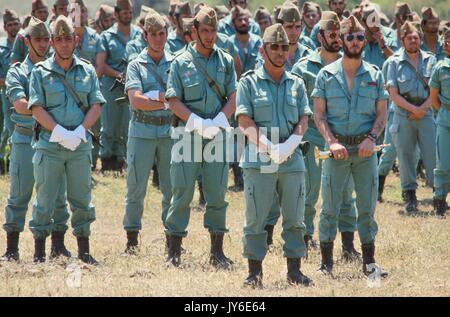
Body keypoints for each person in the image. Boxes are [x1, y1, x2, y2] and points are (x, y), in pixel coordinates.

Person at [236, 23, 313, 288]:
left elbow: (304, 118)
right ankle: (254, 273)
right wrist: (269, 147)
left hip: (292, 158)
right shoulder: (248, 82)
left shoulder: (297, 83)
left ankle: (294, 271)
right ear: (263, 49)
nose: (281, 52)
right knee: (256, 218)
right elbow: (244, 120)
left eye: (285, 47)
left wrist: (291, 143)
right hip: (260, 159)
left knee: (295, 217)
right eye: (275, 47)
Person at [312, 15, 388, 277]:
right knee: (330, 208)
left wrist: (371, 138)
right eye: (349, 37)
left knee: (367, 209)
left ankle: (369, 264)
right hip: (337, 152)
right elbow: (318, 115)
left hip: (366, 151)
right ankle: (326, 264)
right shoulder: (325, 75)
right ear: (341, 40)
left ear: (363, 41)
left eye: (359, 37)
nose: (355, 41)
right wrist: (331, 142)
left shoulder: (375, 74)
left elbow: (382, 113)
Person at [28, 15, 105, 264]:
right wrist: (60, 132)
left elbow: (96, 104)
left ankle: (84, 251)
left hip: (79, 145)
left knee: (82, 200)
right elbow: (36, 108)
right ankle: (39, 252)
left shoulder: (87, 70)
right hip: (50, 144)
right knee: (45, 200)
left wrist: (81, 130)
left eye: (68, 38)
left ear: (76, 40)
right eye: (58, 39)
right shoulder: (40, 72)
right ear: (52, 42)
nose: (63, 44)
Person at [165, 6, 237, 269]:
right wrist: (195, 122)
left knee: (217, 193)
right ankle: (174, 251)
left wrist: (219, 120)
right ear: (193, 31)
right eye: (204, 31)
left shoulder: (226, 60)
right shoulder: (180, 62)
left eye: (213, 30)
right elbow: (172, 99)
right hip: (187, 134)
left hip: (217, 134)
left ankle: (217, 252)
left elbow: (234, 96)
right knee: (182, 192)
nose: (209, 36)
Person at [1, 17, 71, 262]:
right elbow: (19, 105)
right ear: (25, 41)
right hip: (25, 138)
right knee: (19, 194)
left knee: (58, 195)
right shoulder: (17, 71)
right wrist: (46, 109)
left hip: (53, 139)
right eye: (37, 39)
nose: (42, 45)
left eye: (45, 39)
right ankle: (12, 248)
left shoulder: (58, 70)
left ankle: (58, 246)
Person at [291, 11, 360, 259]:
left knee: (344, 194)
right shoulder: (304, 67)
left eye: (338, 34)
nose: (335, 38)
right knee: (309, 192)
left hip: (341, 138)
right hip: (313, 138)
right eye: (330, 34)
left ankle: (349, 244)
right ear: (320, 36)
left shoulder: (349, 63)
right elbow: (296, 105)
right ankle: (307, 237)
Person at [122, 12, 174, 254]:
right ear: (145, 35)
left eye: (161, 33)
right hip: (141, 131)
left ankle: (172, 239)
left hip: (169, 132)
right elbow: (136, 101)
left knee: (172, 188)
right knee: (135, 186)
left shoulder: (176, 63)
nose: (157, 38)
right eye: (152, 34)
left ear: (167, 34)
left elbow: (179, 99)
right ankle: (132, 240)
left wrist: (152, 97)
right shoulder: (135, 65)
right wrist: (164, 100)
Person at [386, 22, 437, 214]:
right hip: (403, 114)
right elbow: (393, 93)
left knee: (432, 155)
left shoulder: (430, 60)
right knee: (405, 156)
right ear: (402, 40)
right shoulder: (393, 62)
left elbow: (435, 89)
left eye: (416, 37)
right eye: (409, 38)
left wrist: (422, 109)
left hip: (425, 113)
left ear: (420, 39)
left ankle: (438, 195)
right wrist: (412, 109)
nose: (413, 41)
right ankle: (409, 197)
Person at [97, 0, 141, 172]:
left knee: (126, 125)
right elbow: (101, 65)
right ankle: (107, 159)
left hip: (132, 87)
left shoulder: (138, 34)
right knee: (109, 126)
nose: (128, 15)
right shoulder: (106, 37)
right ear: (116, 14)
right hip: (111, 86)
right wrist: (119, 75)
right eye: (125, 13)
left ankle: (121, 160)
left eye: (130, 12)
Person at [429, 28, 450, 217]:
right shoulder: (440, 68)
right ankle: (440, 200)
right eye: (446, 41)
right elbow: (434, 99)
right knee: (443, 162)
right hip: (445, 119)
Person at [0, 9, 21, 175]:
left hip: (27, 94)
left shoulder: (27, 44)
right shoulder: (1, 48)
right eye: (10, 24)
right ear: (5, 27)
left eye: (16, 23)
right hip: (8, 95)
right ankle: (10, 165)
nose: (13, 27)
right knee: (10, 128)